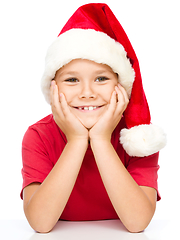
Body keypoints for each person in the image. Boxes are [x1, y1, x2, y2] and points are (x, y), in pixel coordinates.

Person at [21, 3, 166, 234]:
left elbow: (137, 223)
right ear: (53, 88)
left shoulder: (138, 139)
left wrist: (100, 139)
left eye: (101, 79)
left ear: (121, 85)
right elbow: (40, 223)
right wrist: (77, 140)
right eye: (71, 80)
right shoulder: (38, 136)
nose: (87, 93)